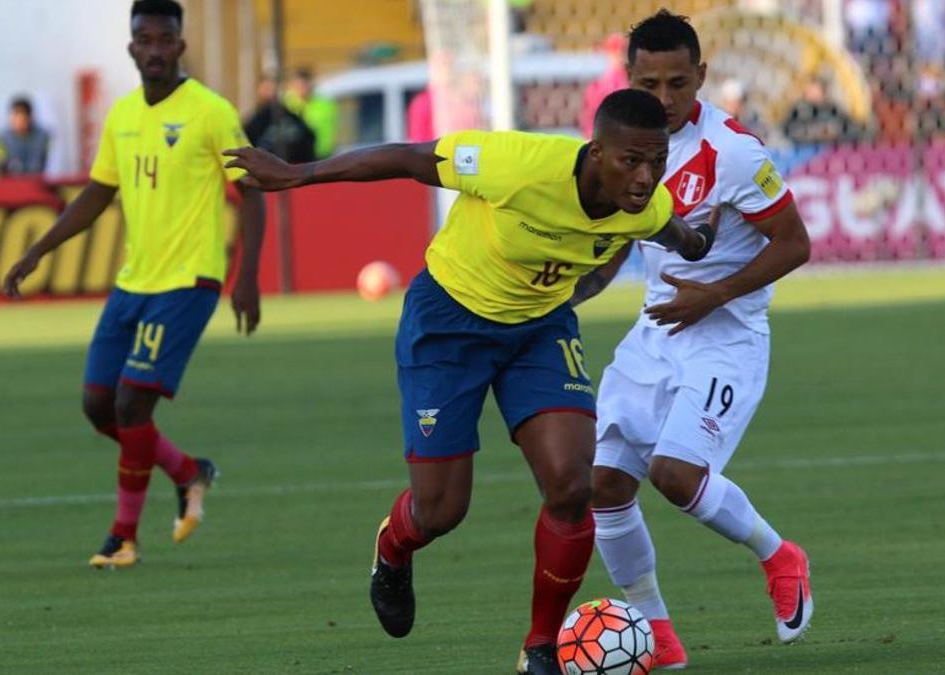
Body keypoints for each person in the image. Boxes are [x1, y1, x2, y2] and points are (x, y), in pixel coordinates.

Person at [223, 89, 713, 675]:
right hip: (449, 323)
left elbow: (674, 231)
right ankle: (393, 548)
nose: (644, 177)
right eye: (630, 161)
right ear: (594, 151)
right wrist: (297, 174)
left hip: (538, 331)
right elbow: (408, 158)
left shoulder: (645, 205)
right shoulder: (515, 165)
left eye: (656, 161)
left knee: (570, 484)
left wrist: (701, 241)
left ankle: (539, 649)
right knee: (441, 511)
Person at [571, 10, 813, 669]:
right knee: (604, 484)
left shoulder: (732, 152)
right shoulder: (621, 147)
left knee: (675, 474)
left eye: (679, 83)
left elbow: (796, 243)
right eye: (650, 85)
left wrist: (714, 292)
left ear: (701, 76)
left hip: (724, 336)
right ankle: (660, 640)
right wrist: (564, 297)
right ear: (629, 80)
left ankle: (779, 554)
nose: (666, 99)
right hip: (655, 333)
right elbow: (616, 245)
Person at [2, 0, 265, 569]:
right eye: (142, 39)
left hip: (188, 283)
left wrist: (247, 274)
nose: (153, 49)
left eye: (163, 39)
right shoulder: (122, 116)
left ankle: (122, 537)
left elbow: (254, 189)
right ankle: (188, 472)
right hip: (134, 281)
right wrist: (37, 251)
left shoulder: (210, 112)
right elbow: (98, 194)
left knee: (130, 403)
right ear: (130, 48)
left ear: (180, 46)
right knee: (97, 405)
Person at [244, 77, 316, 163]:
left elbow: (308, 139)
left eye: (273, 90)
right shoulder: (254, 123)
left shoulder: (293, 119)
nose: (270, 94)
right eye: (266, 89)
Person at [579, 33, 629, 138]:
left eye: (622, 51)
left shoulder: (633, 79)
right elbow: (589, 118)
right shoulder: (598, 86)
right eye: (615, 51)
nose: (619, 55)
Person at [283, 68, 338, 159]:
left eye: (304, 85)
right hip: (295, 157)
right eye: (298, 86)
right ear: (292, 85)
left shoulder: (326, 104)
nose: (302, 89)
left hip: (322, 155)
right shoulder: (286, 104)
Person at [0, 96, 51, 176]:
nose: (19, 122)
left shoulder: (44, 137)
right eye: (15, 116)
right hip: (10, 184)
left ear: (30, 118)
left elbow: (44, 164)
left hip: (35, 182)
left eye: (23, 118)